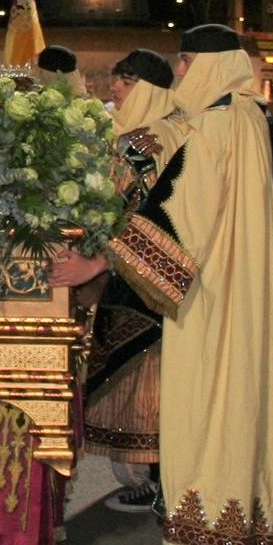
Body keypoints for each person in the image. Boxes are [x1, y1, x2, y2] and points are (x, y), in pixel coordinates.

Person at [102, 23, 273, 545]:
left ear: (214, 64)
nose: (182, 74)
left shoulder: (215, 127)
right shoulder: (256, 118)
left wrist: (103, 262)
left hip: (213, 304)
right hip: (255, 298)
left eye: (188, 63)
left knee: (214, 417)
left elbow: (180, 220)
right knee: (257, 412)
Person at [62, 47, 177, 513]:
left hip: (134, 280)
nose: (116, 89)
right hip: (162, 279)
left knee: (139, 384)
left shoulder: (141, 144)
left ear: (147, 88)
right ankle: (160, 480)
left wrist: (96, 262)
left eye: (126, 81)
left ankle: (151, 481)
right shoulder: (178, 132)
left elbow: (123, 211)